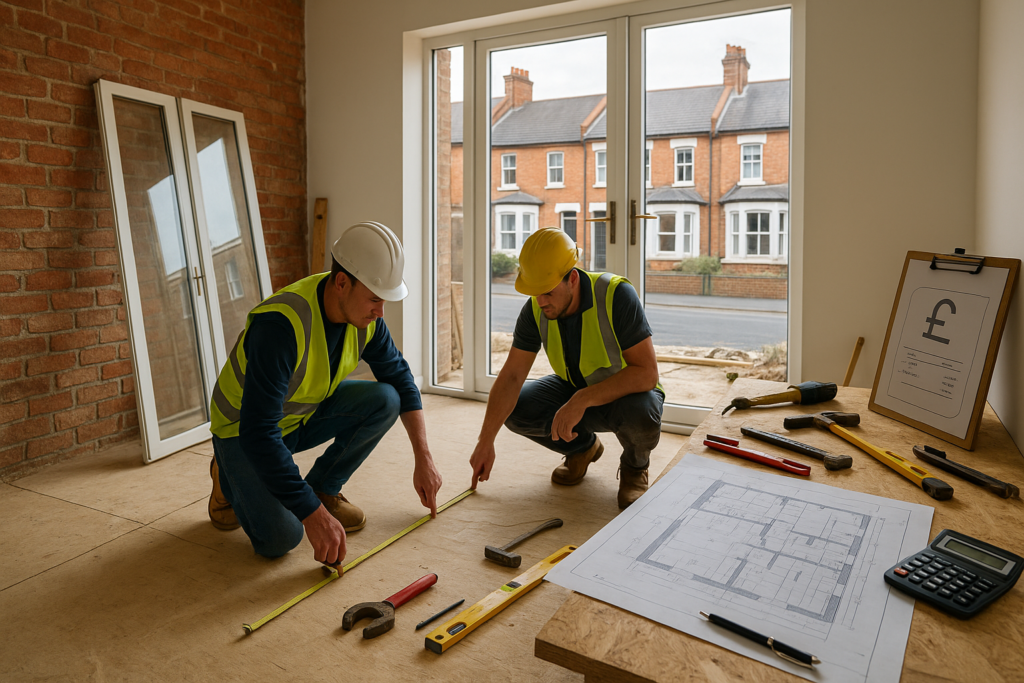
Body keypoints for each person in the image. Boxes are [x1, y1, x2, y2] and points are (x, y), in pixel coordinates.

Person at [207, 221, 443, 567]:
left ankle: (323, 487)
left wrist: (424, 458)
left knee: (386, 398)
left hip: (298, 416)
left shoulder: (367, 318)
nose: (380, 312)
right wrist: (311, 516)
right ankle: (225, 475)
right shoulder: (280, 326)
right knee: (281, 539)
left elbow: (401, 380)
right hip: (243, 432)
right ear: (342, 283)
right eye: (375, 299)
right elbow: (259, 433)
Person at [469, 227, 664, 509]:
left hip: (626, 394)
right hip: (573, 389)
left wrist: (582, 399)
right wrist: (485, 440)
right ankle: (583, 449)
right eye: (535, 293)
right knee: (515, 408)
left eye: (547, 291)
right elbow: (511, 377)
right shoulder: (536, 308)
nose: (540, 301)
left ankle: (635, 468)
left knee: (642, 412)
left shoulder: (616, 295)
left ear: (572, 278)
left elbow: (647, 373)